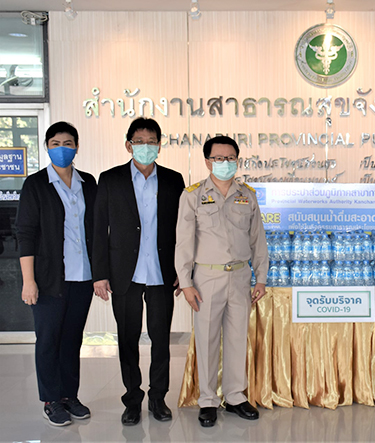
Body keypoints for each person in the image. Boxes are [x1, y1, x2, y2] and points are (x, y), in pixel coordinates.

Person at [92, 118, 185, 425]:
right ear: (128, 145)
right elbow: (99, 229)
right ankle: (132, 400)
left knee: (161, 340)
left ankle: (158, 398)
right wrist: (100, 274)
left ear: (159, 145)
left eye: (152, 141)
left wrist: (182, 269)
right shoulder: (110, 179)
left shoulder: (173, 180)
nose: (146, 146)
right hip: (124, 274)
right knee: (128, 339)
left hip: (162, 272)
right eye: (140, 141)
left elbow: (183, 230)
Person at [175, 135, 268, 427]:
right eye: (218, 158)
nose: (225, 163)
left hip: (240, 275)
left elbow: (258, 239)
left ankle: (235, 396)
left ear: (237, 161)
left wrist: (261, 278)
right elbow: (183, 242)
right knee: (206, 339)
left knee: (238, 337)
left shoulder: (247, 195)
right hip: (207, 277)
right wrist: (185, 282)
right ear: (207, 162)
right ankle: (207, 400)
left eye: (230, 158)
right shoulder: (193, 195)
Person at [17, 122, 97, 426]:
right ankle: (51, 400)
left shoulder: (88, 183)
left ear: (76, 147)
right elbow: (26, 234)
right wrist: (29, 281)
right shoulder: (36, 184)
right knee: (48, 339)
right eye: (55, 143)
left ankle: (69, 395)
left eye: (68, 143)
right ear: (47, 147)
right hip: (48, 278)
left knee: (72, 339)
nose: (62, 148)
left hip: (82, 276)